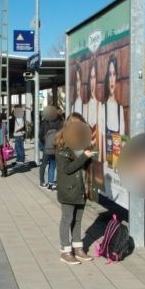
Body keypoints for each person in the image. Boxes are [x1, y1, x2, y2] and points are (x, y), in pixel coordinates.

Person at [55, 112, 95, 265]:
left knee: (78, 220)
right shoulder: (62, 147)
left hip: (80, 188)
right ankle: (65, 251)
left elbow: (84, 166)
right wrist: (84, 156)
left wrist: (89, 155)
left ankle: (78, 248)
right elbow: (68, 169)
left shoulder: (82, 144)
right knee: (67, 219)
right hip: (69, 189)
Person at [101, 53, 126, 166]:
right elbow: (101, 139)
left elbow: (123, 138)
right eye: (110, 74)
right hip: (107, 162)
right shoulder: (103, 108)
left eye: (114, 74)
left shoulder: (120, 108)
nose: (112, 79)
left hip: (118, 161)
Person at [39, 110, 64, 189]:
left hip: (46, 145)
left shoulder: (45, 122)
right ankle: (51, 182)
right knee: (53, 164)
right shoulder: (60, 122)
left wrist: (45, 141)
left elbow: (40, 134)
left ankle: (42, 181)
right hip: (56, 145)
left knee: (44, 164)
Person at [86, 60, 101, 155]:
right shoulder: (85, 107)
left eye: (94, 77)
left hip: (98, 153)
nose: (92, 81)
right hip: (86, 153)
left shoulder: (101, 106)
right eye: (90, 78)